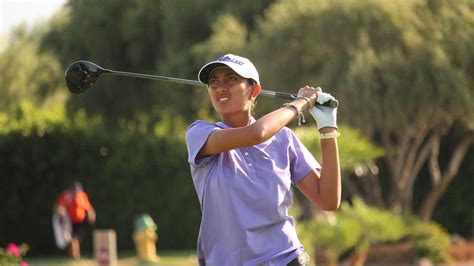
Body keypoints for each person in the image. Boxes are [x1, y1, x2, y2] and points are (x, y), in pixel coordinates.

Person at [186, 54, 341, 265]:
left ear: (254, 90)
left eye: (231, 79)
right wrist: (300, 103)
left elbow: (329, 200)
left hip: (286, 259)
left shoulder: (283, 139)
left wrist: (328, 129)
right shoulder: (199, 133)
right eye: (214, 82)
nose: (220, 87)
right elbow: (257, 133)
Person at [55, 181, 96, 260]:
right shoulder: (67, 195)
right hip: (69, 221)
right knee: (72, 238)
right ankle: (74, 255)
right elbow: (59, 207)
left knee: (76, 238)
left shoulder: (82, 195)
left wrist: (92, 214)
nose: (76, 192)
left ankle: (74, 255)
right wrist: (61, 215)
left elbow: (88, 207)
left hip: (81, 221)